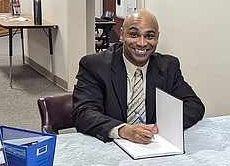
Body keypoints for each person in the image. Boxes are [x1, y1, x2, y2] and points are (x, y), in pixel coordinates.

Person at [72, 9, 205, 144]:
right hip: (111, 146)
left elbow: (194, 105)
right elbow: (83, 113)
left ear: (157, 38)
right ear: (122, 34)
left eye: (149, 36)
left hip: (154, 146)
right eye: (134, 34)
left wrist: (164, 125)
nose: (142, 43)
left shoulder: (168, 66)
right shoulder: (95, 65)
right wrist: (123, 130)